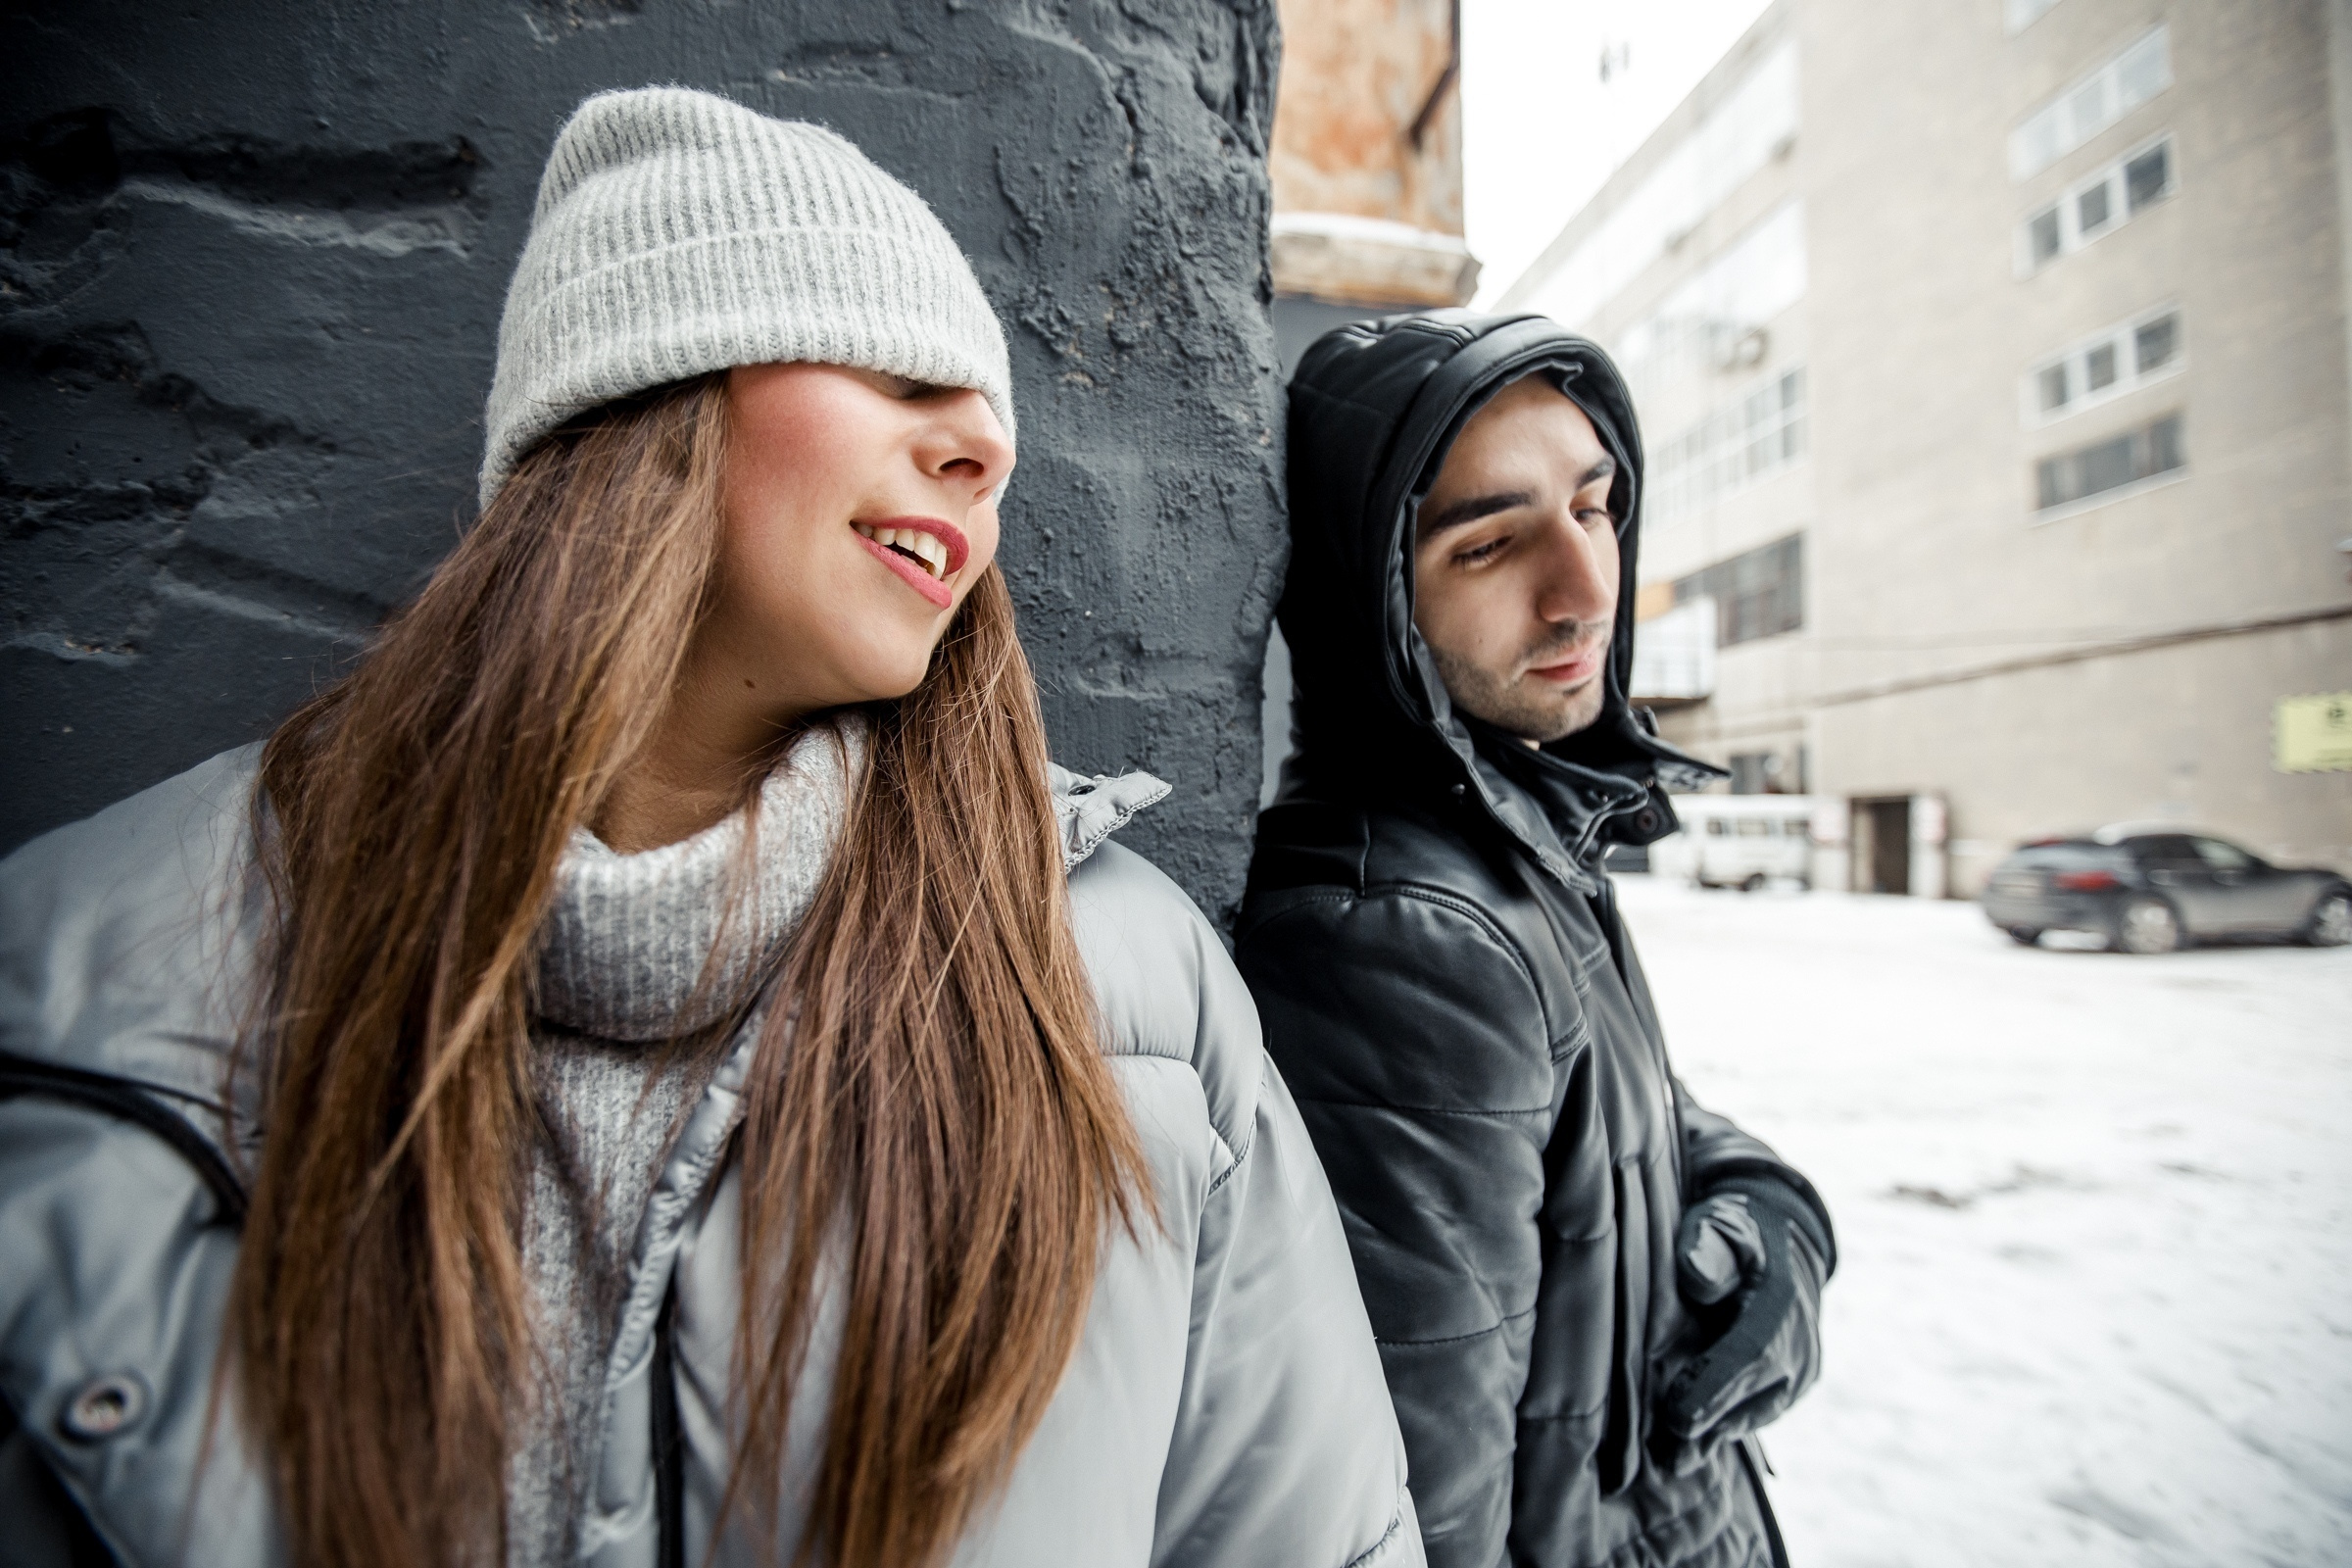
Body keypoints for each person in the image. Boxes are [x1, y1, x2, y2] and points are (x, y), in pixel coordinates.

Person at [0, 88, 1420, 1568]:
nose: (985, 453)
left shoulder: (1135, 993)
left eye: (990, 419)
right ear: (644, 398)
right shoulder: (83, 975)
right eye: (896, 371)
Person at [1235, 312, 1835, 1568]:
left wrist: (1773, 1213)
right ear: (1376, 600)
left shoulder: (1515, 827)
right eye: (1492, 543)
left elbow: (1641, 1119)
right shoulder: (1404, 932)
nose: (1584, 589)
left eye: (1596, 507)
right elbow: (1424, 1512)